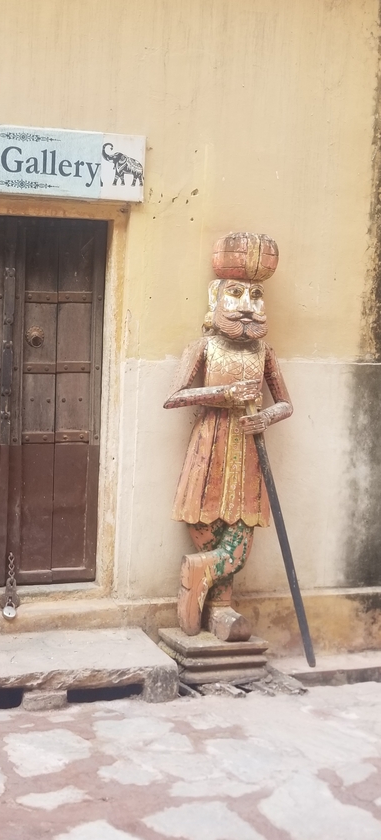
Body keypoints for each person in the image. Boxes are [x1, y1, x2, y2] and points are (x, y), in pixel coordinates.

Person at [164, 232, 292, 641]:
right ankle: (219, 607)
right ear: (215, 299)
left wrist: (268, 416)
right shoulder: (203, 347)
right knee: (205, 525)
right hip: (211, 442)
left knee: (240, 540)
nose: (247, 306)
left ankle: (201, 579)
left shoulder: (264, 353)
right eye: (235, 293)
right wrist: (222, 393)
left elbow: (285, 403)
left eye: (256, 296)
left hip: (249, 447)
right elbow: (175, 397)